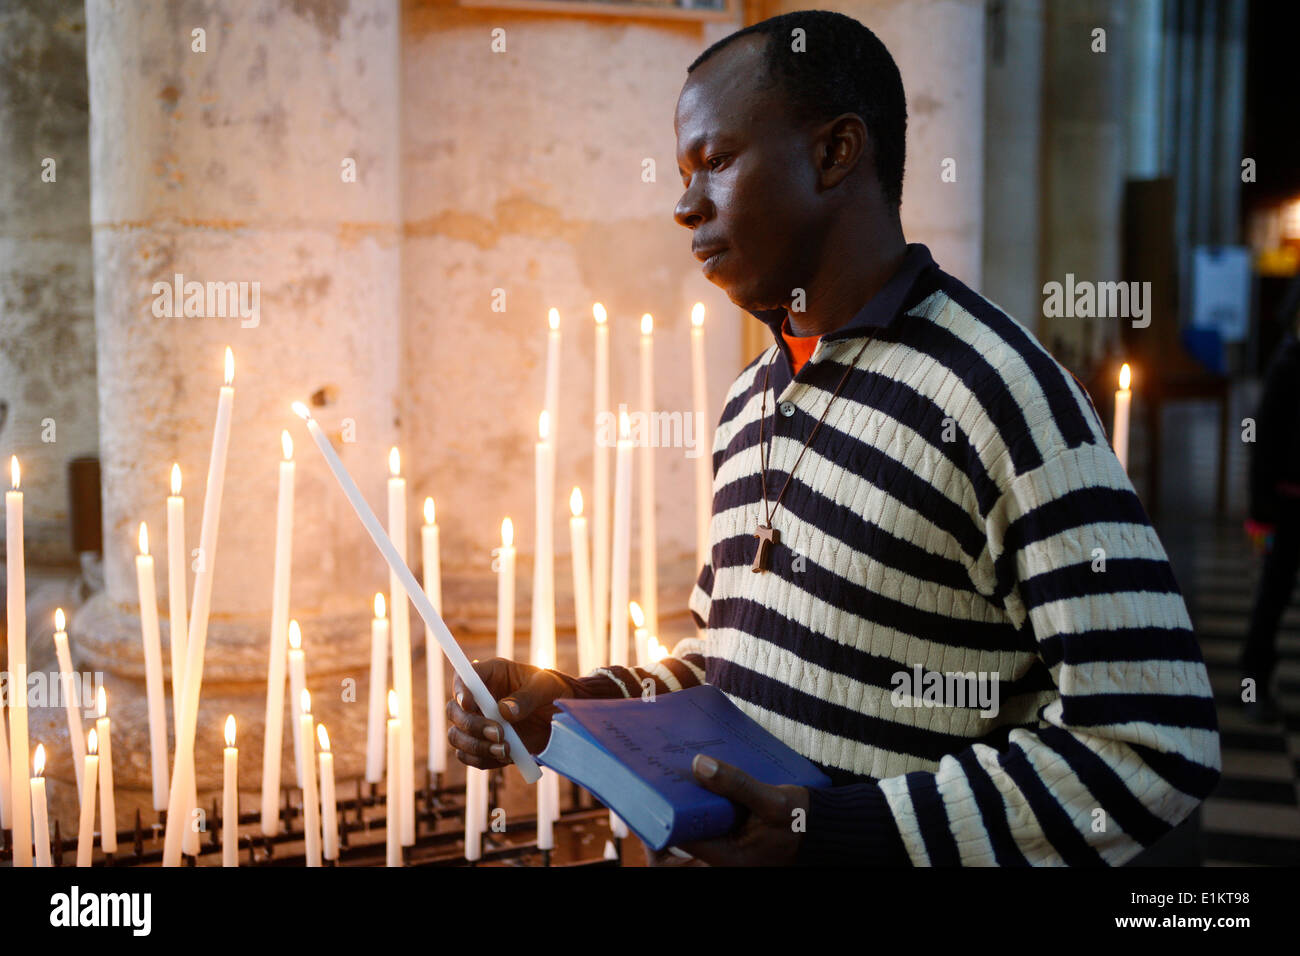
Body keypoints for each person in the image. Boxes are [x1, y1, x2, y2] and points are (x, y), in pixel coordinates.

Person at [448, 10, 1221, 866]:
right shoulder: (752, 402)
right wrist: (578, 701)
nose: (683, 203)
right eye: (681, 171)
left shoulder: (993, 391)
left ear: (835, 153)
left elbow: (1152, 740)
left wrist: (844, 834)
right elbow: (730, 669)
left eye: (717, 161)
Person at [1240, 275, 1300, 724]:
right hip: (1286, 506)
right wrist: (1261, 511)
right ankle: (1253, 682)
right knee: (1273, 595)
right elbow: (1262, 445)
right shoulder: (1287, 364)